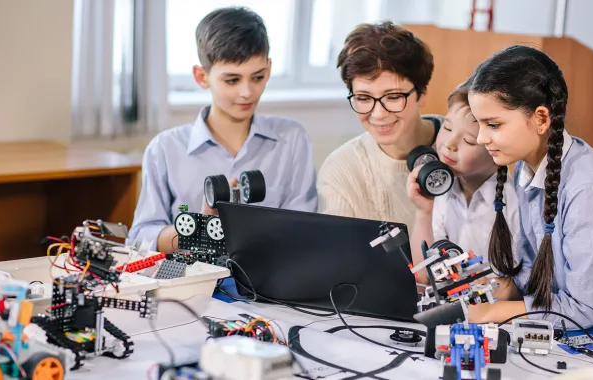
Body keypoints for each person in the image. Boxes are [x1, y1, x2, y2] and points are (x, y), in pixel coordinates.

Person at [128, 6, 318, 252]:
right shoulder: (165, 149)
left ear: (269, 70)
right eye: (232, 80)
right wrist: (199, 230)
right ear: (201, 76)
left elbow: (304, 229)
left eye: (258, 77)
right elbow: (140, 238)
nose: (247, 92)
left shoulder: (292, 139)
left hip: (268, 283)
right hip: (191, 283)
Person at [466, 45, 593, 328]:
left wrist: (494, 313)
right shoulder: (524, 170)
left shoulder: (587, 188)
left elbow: (588, 308)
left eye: (493, 124)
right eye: (478, 124)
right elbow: (536, 273)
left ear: (541, 119)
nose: (480, 138)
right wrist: (501, 288)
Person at [317, 21, 442, 227]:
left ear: (422, 94)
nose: (378, 114)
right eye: (364, 98)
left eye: (392, 97)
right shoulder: (340, 170)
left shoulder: (464, 143)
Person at [406, 79, 519, 283]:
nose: (449, 144)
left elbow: (522, 283)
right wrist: (424, 211)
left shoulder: (515, 204)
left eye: (467, 140)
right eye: (447, 128)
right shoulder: (442, 193)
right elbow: (422, 276)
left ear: (496, 153)